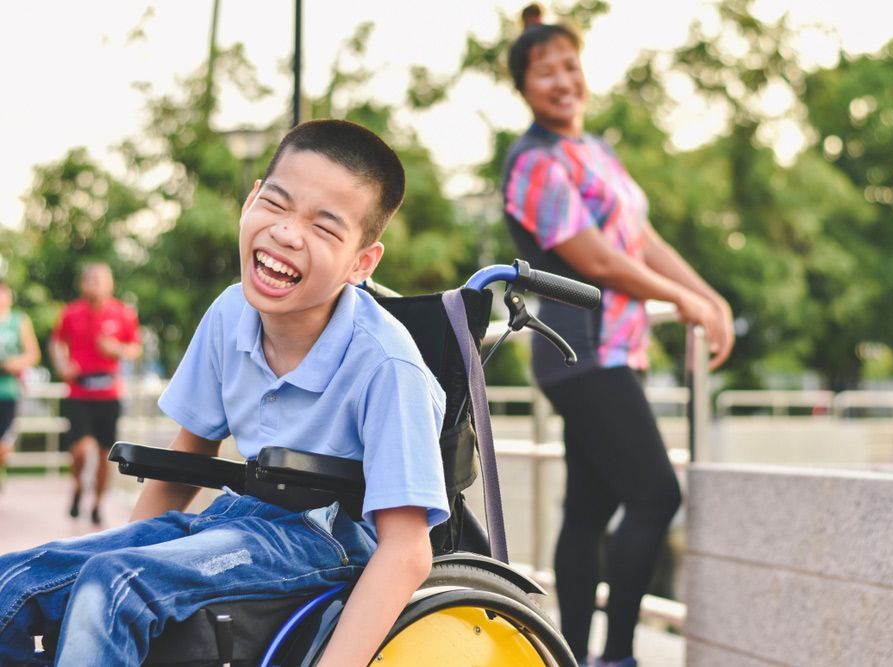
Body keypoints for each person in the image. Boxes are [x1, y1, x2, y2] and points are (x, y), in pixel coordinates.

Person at [0, 119, 449, 667]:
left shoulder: (386, 363)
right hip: (236, 517)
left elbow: (406, 551)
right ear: (250, 201)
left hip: (326, 537)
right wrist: (133, 551)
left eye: (324, 228)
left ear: (362, 263)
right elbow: (188, 455)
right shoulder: (232, 311)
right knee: (16, 583)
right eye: (276, 205)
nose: (287, 233)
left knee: (112, 589)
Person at [501, 7, 735, 666]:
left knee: (587, 509)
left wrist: (705, 293)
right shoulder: (533, 161)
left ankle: (571, 653)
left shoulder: (594, 151)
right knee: (657, 492)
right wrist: (682, 298)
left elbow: (642, 239)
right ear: (523, 88)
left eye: (570, 66)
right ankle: (617, 655)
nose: (562, 80)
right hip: (581, 351)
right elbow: (597, 257)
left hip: (611, 350)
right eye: (544, 72)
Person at [49, 262, 142, 524]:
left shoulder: (123, 313)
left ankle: (97, 503)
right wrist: (62, 365)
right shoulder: (71, 313)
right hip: (78, 391)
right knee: (81, 450)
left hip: (108, 393)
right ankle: (78, 485)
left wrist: (116, 349)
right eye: (92, 279)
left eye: (102, 280)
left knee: (103, 454)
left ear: (110, 283)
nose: (97, 284)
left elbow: (135, 349)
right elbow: (57, 342)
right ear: (83, 284)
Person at [0, 280, 42, 487]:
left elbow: (33, 354)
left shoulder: (19, 321)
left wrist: (14, 364)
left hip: (9, 392)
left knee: (3, 445)